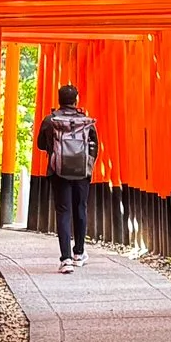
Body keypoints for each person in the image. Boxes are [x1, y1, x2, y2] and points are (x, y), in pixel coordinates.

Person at [35, 84, 99, 272]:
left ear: (59, 99)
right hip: (81, 172)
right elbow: (95, 146)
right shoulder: (85, 121)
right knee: (81, 209)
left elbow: (40, 145)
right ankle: (79, 253)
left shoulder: (51, 120)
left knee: (63, 212)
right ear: (76, 100)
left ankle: (66, 259)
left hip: (58, 171)